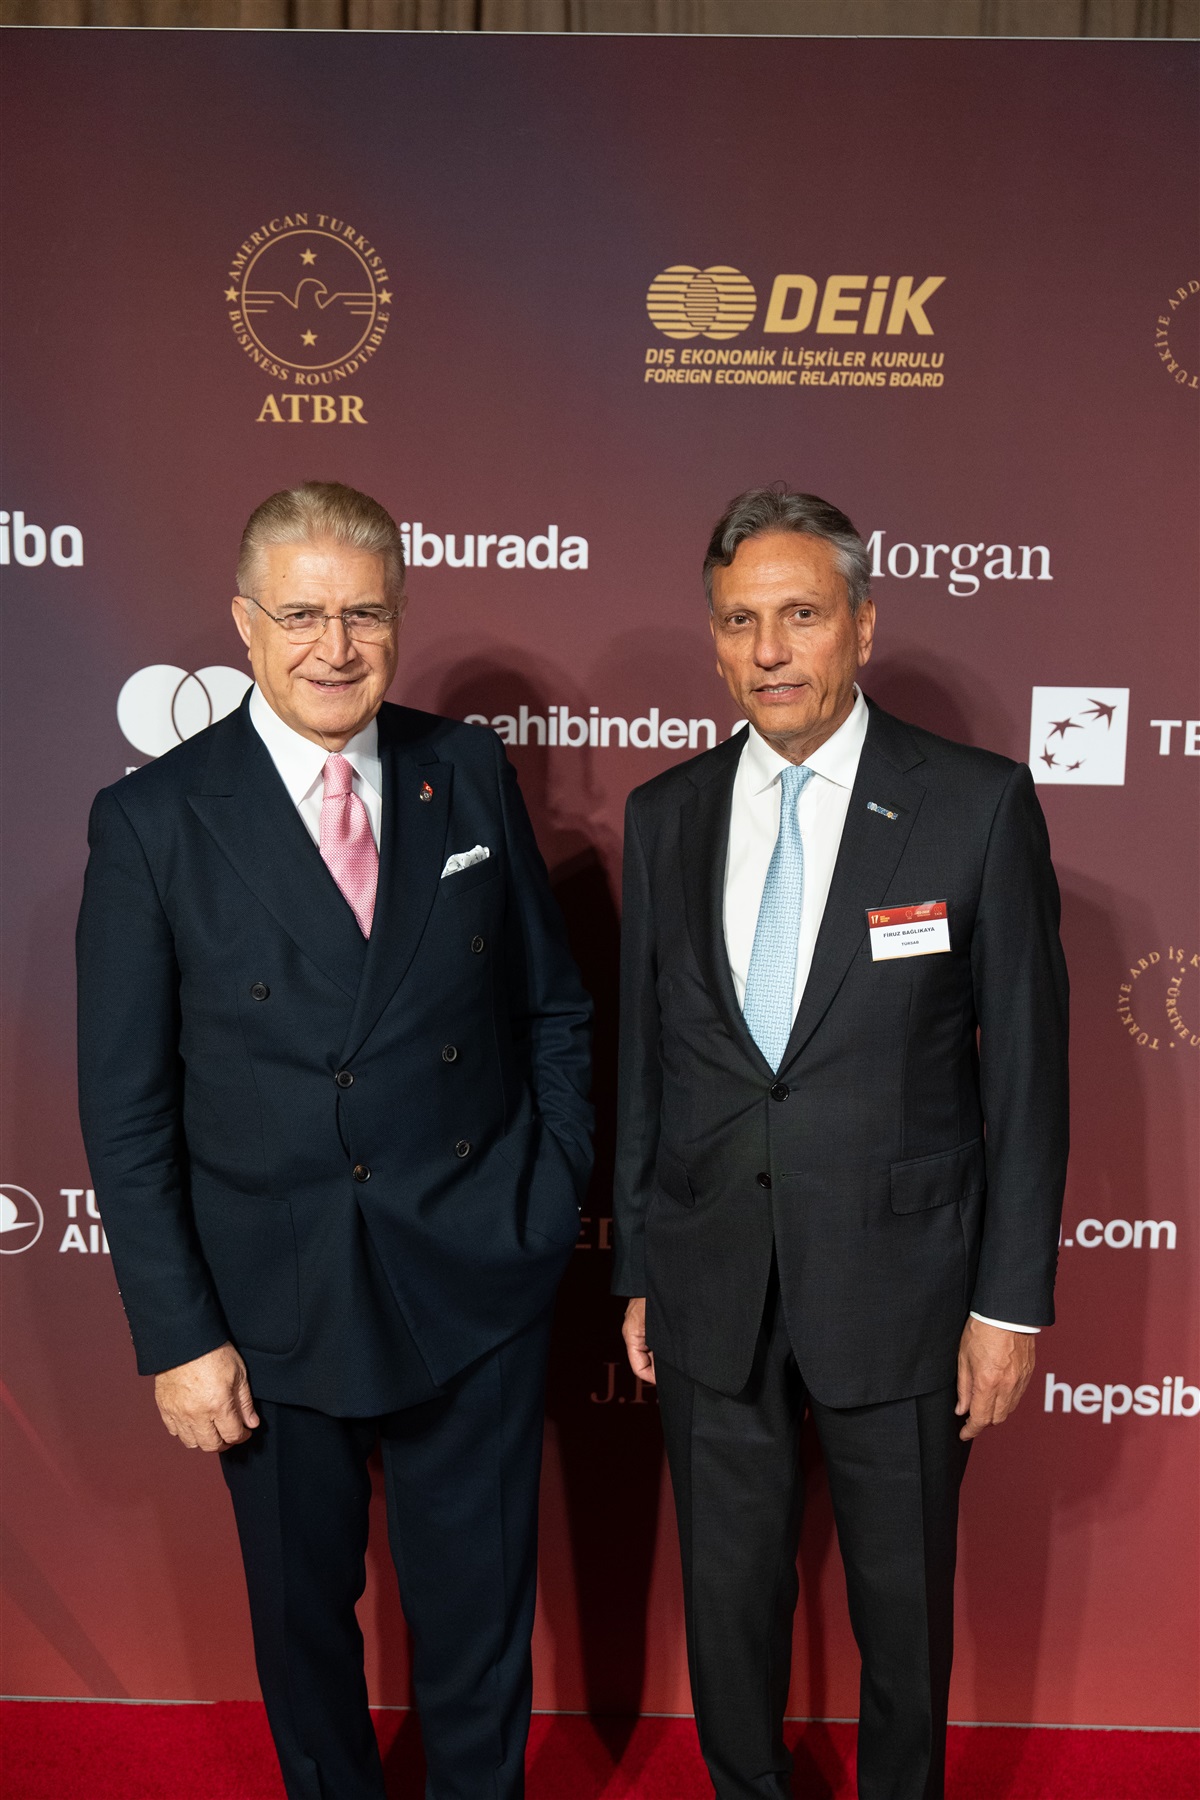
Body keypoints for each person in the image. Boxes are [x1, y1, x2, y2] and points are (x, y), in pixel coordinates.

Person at [76, 481, 592, 1800]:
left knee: (480, 1623)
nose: (335, 647)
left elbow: (548, 1006)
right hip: (272, 1301)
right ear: (244, 623)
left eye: (365, 613)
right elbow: (126, 1109)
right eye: (302, 615)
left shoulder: (464, 769)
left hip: (473, 1277)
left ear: (400, 618)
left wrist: (547, 1198)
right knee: (304, 1634)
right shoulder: (154, 820)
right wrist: (178, 1335)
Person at [613, 486, 1068, 1800]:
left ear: (862, 626)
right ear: (714, 640)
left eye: (801, 615)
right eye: (739, 622)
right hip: (710, 1282)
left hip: (906, 1287)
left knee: (903, 1619)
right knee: (728, 1607)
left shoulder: (976, 805)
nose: (770, 651)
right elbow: (648, 1062)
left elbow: (1029, 1078)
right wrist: (640, 1264)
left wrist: (1008, 1305)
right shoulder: (664, 813)